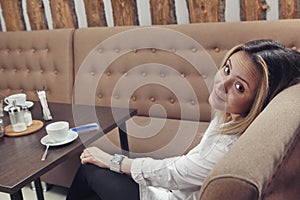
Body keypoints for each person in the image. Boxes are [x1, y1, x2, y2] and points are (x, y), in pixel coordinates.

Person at [66, 39, 300, 200]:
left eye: (239, 87)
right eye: (227, 69)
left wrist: (112, 160)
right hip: (174, 189)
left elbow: (175, 173)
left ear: (259, 100)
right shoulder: (232, 114)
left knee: (90, 172)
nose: (222, 84)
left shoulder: (229, 146)